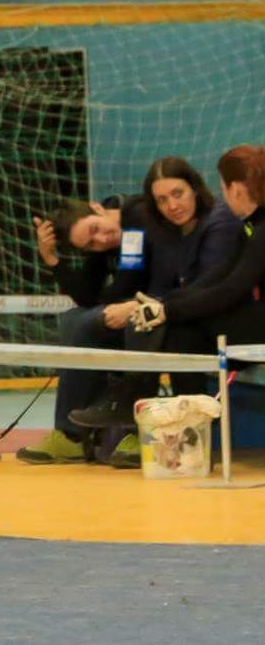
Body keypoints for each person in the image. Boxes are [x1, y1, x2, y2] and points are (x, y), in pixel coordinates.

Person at [19, 158, 241, 466]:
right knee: (76, 319)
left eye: (177, 194)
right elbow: (90, 294)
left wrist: (139, 304)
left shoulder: (142, 220)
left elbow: (134, 283)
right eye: (162, 199)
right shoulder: (137, 232)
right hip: (163, 305)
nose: (101, 240)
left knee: (130, 320)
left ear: (97, 209)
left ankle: (134, 425)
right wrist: (53, 260)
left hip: (182, 312)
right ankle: (72, 433)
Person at [132, 145, 265, 353]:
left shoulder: (259, 231)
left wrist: (168, 311)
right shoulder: (250, 226)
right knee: (182, 329)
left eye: (223, 188)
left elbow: (231, 290)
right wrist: (164, 304)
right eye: (162, 200)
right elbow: (219, 275)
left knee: (188, 324)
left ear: (235, 189)